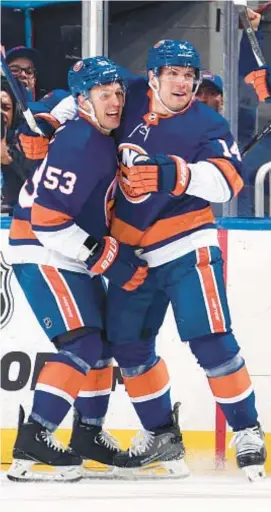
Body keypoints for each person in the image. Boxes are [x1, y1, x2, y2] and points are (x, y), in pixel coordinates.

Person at [104, 40, 266, 482]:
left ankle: (247, 430)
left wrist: (176, 173)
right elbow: (75, 103)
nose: (183, 82)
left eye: (189, 74)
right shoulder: (128, 93)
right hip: (129, 253)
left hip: (184, 244)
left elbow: (227, 182)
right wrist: (46, 120)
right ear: (153, 76)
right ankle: (162, 435)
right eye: (173, 72)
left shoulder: (207, 122)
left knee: (210, 339)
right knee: (128, 346)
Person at [7, 56, 148, 483]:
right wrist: (103, 256)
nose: (116, 102)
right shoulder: (80, 144)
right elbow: (47, 221)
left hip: (67, 248)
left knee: (101, 346)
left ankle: (87, 435)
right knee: (83, 345)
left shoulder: (96, 129)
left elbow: (66, 101)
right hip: (42, 248)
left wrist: (56, 109)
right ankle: (33, 440)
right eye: (105, 94)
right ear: (85, 100)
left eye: (118, 93)